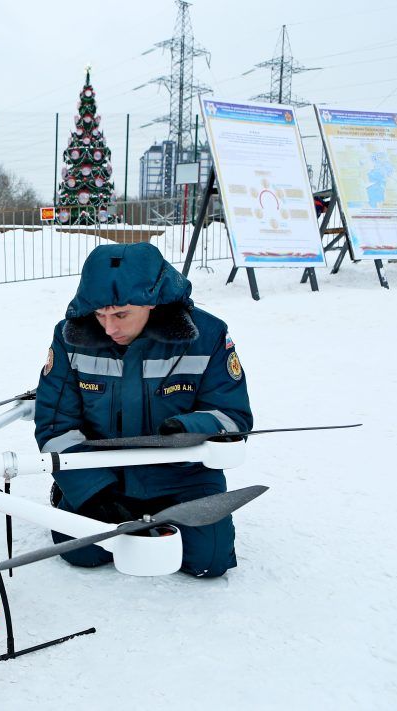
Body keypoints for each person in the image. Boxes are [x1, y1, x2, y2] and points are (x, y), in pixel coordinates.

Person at [34, 242, 252, 577]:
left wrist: (187, 430)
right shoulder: (69, 338)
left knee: (209, 562)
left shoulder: (208, 335)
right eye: (100, 315)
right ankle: (70, 491)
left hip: (184, 477)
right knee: (82, 553)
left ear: (154, 302)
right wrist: (92, 493)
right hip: (104, 475)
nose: (109, 329)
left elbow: (231, 416)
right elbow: (55, 424)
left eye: (121, 315)